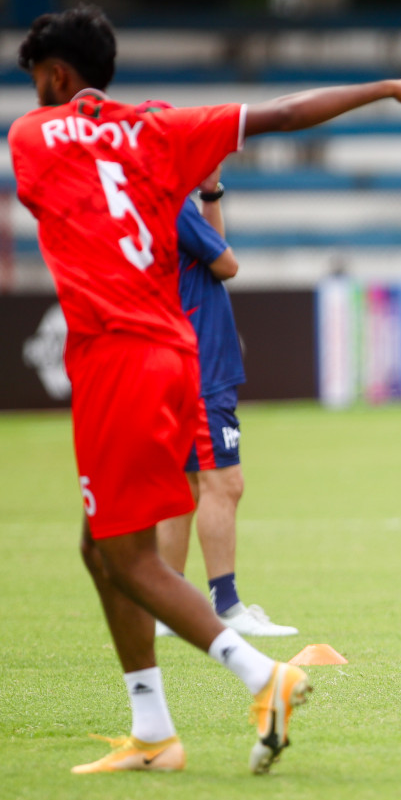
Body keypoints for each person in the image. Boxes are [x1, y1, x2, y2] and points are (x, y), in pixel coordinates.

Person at [8, 4, 401, 773]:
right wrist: (386, 86)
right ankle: (153, 732)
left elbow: (60, 193)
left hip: (119, 357)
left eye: (38, 82)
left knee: (132, 559)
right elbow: (284, 113)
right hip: (176, 353)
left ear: (54, 75)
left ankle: (262, 674)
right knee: (101, 548)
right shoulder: (164, 127)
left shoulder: (31, 133)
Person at [154, 159, 297, 639]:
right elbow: (227, 263)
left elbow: (212, 259)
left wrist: (210, 194)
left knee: (188, 486)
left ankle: (168, 605)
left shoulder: (146, 205)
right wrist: (204, 199)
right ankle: (227, 605)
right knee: (224, 483)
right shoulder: (170, 205)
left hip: (179, 359)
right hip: (201, 364)